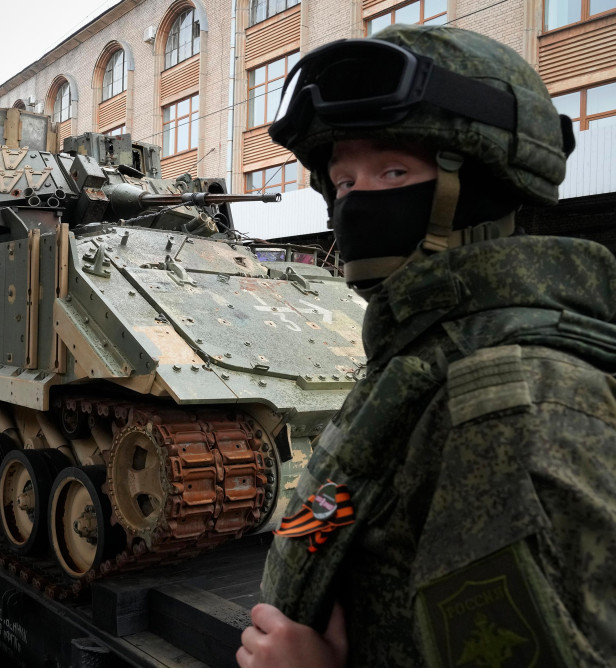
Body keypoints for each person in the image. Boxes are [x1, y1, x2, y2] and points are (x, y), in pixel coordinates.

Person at [237, 24, 616, 668]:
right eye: (344, 181)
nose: (355, 203)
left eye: (393, 171)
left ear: (482, 188)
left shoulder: (512, 399)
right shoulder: (430, 349)